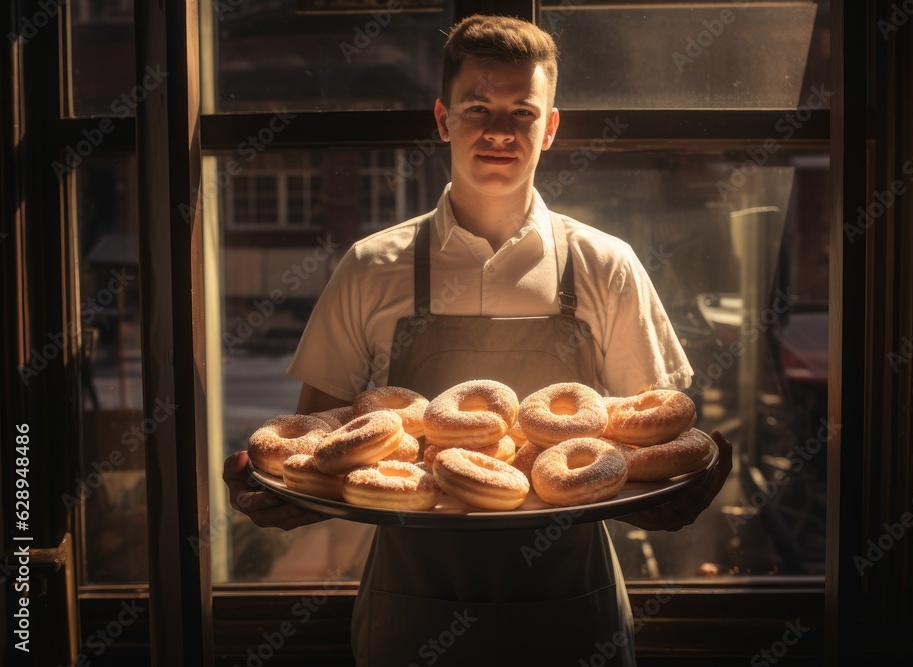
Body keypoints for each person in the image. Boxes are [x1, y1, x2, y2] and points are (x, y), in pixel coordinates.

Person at [224, 14, 733, 665]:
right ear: (443, 118)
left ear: (550, 127)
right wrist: (275, 497)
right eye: (476, 107)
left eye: (522, 112)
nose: (498, 130)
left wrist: (681, 498)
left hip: (571, 612)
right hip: (411, 610)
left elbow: (651, 448)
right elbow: (317, 446)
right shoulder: (370, 266)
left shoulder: (608, 265)